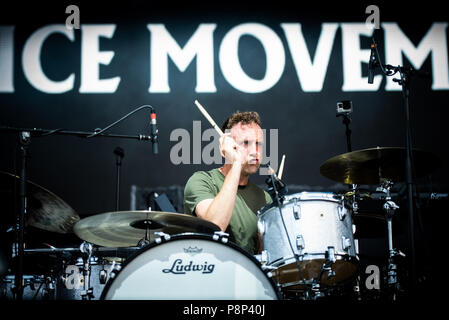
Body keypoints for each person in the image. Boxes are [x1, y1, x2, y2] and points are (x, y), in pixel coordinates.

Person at [183, 111, 272, 254]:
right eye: (246, 143)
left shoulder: (264, 198)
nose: (255, 151)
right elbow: (215, 225)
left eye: (258, 144)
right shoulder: (202, 181)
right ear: (224, 149)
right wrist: (236, 162)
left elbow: (265, 258)